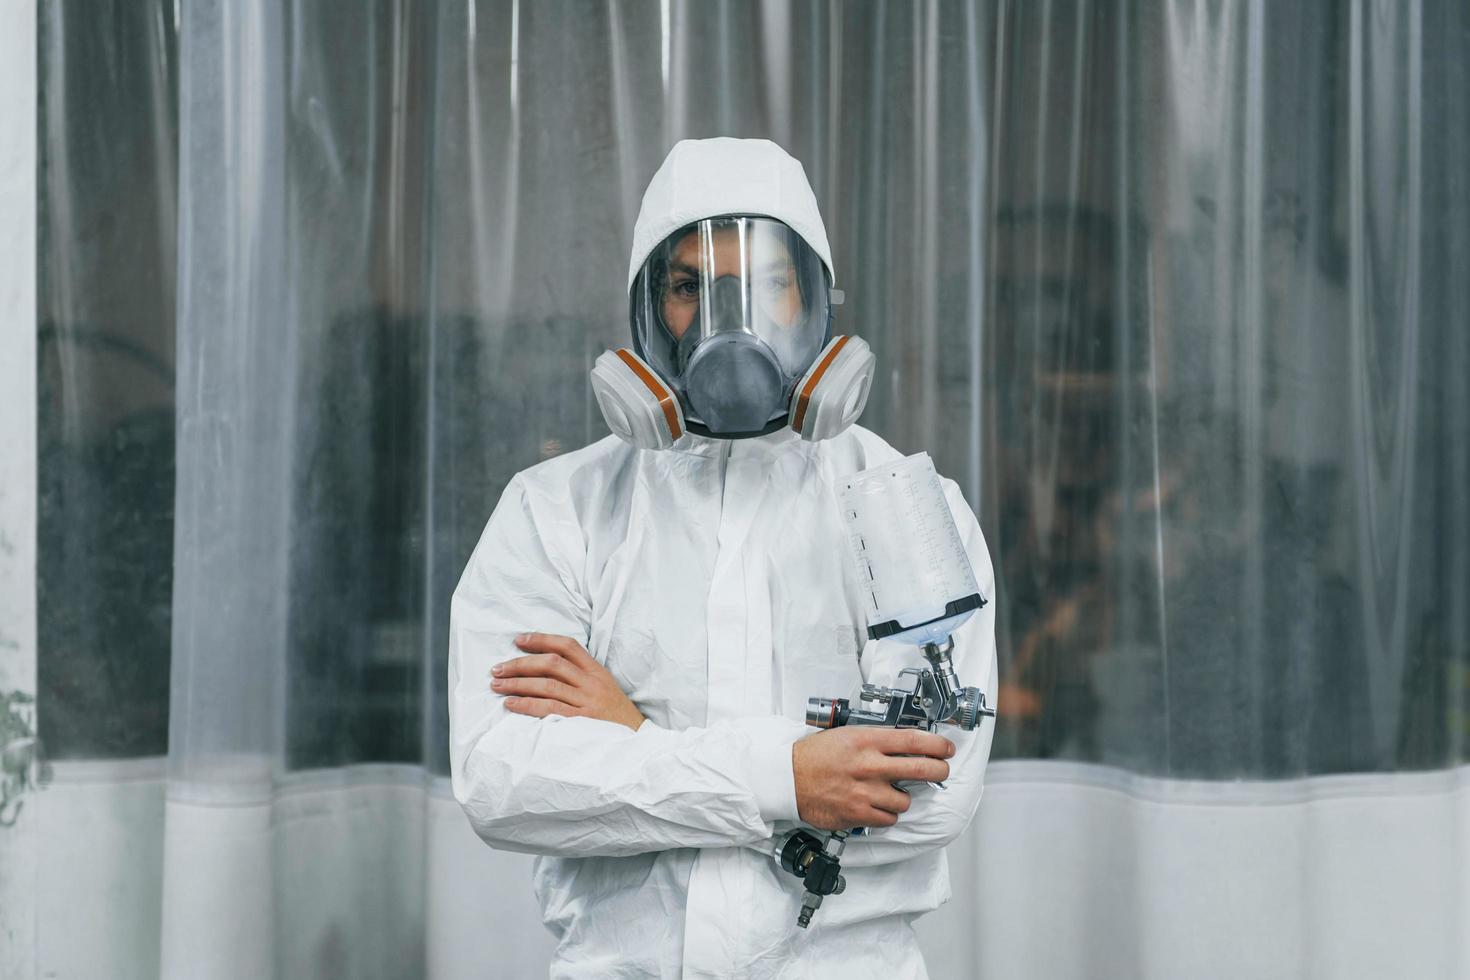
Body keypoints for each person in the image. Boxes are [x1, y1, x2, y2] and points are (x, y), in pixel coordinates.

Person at [448, 137, 998, 979]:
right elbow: (503, 785)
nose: (730, 318)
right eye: (689, 286)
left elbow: (930, 801)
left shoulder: (905, 510)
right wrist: (791, 776)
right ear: (646, 311)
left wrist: (633, 739)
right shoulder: (556, 509)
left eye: (771, 282)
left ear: (815, 300)